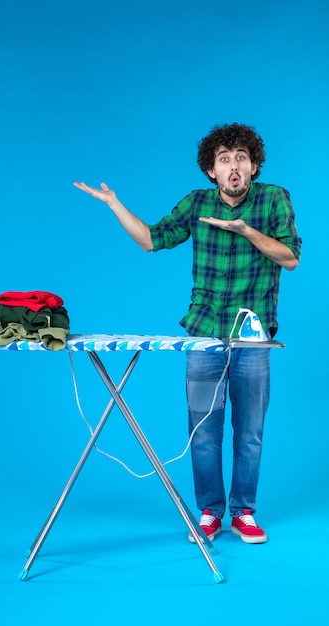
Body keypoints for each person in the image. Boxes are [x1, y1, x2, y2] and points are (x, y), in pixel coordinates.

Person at [73, 122, 302, 544]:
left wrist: (247, 231)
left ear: (254, 166)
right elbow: (150, 240)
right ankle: (211, 512)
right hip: (204, 335)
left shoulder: (273, 199)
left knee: (249, 432)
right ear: (211, 171)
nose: (233, 166)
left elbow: (290, 258)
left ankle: (244, 513)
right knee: (203, 431)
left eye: (241, 158)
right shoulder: (197, 204)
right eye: (224, 159)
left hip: (252, 334)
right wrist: (114, 204)